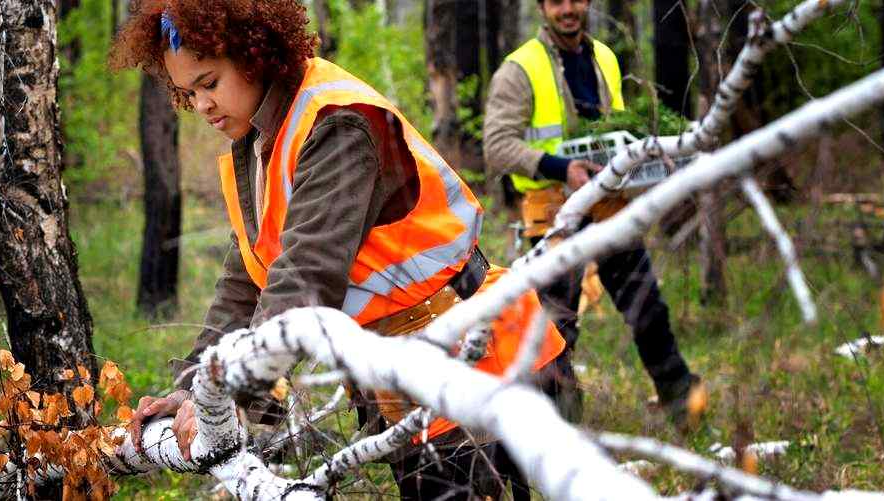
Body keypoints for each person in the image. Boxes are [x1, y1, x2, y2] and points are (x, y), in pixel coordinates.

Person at [109, 1, 565, 498]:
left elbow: (306, 275)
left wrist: (227, 390)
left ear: (253, 55)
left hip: (477, 360)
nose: (200, 105)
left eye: (209, 83)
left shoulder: (337, 122)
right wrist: (197, 380)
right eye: (187, 91)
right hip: (409, 376)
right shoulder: (261, 135)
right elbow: (248, 272)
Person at [482, 0, 702, 423]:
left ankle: (682, 402)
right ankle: (559, 425)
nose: (569, 9)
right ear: (543, 7)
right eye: (557, 1)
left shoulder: (604, 57)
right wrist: (563, 168)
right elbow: (497, 146)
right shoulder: (519, 68)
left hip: (607, 202)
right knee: (556, 328)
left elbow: (615, 131)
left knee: (646, 305)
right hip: (554, 212)